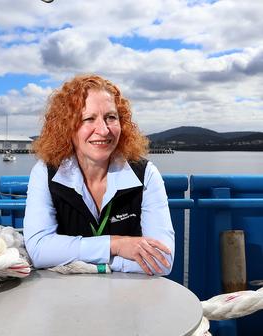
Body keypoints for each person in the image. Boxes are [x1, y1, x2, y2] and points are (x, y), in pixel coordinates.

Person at [23, 74, 174, 276]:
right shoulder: (46, 173)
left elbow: (161, 261)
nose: (103, 130)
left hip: (131, 299)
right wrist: (116, 244)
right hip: (64, 298)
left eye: (111, 117)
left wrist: (81, 261)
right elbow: (39, 250)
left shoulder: (145, 175)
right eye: (88, 119)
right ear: (67, 127)